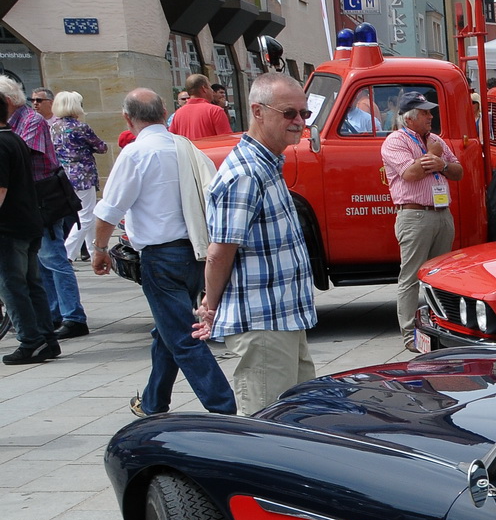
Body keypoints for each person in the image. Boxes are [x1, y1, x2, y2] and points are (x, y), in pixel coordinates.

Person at [90, 89, 236, 417]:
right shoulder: (185, 147)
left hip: (161, 257)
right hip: (194, 252)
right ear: (164, 112)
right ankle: (154, 402)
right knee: (166, 331)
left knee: (182, 337)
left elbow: (109, 210)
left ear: (128, 118)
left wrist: (99, 249)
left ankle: (224, 409)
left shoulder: (136, 153)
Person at [194, 72, 318, 416]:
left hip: (282, 318)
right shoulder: (247, 172)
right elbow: (220, 252)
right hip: (264, 324)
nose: (299, 122)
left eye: (304, 113)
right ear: (258, 112)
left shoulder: (266, 163)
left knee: (300, 418)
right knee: (267, 425)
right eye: (289, 113)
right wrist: (211, 305)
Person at [3, 78, 86, 340]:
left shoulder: (31, 121)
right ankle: (52, 314)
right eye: (34, 100)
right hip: (29, 199)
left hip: (44, 198)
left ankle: (73, 316)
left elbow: (19, 156)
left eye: (39, 100)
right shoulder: (13, 123)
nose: (35, 103)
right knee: (40, 263)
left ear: (7, 100)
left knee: (54, 258)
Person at [381, 91, 463, 348]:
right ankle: (409, 335)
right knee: (411, 277)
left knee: (441, 276)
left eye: (429, 112)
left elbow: (458, 171)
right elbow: (411, 174)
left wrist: (442, 164)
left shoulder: (436, 140)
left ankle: (443, 328)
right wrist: (433, 155)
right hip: (415, 215)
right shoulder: (395, 141)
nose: (431, 116)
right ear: (410, 118)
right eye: (425, 113)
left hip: (442, 213)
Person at [0, 87, 55, 365]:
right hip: (27, 221)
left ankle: (31, 341)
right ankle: (46, 339)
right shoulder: (14, 138)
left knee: (12, 286)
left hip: (9, 228)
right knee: (32, 284)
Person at [51, 92, 108, 264]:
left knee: (86, 214)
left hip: (63, 175)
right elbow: (102, 147)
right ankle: (68, 252)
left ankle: (91, 250)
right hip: (82, 175)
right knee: (86, 216)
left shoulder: (54, 127)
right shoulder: (81, 127)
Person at [168, 74, 233, 140]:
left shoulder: (178, 113)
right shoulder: (215, 111)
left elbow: (171, 139)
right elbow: (227, 140)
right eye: (210, 87)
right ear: (204, 88)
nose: (212, 91)